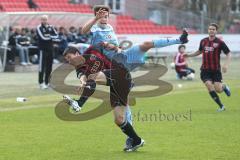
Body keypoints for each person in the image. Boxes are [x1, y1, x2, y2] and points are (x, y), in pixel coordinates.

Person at [81, 5, 188, 149]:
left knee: (145, 45)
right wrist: (95, 19)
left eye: (106, 15)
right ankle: (132, 139)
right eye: (101, 15)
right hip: (114, 70)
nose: (104, 18)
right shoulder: (95, 29)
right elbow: (83, 30)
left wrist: (117, 49)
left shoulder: (110, 28)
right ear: (96, 16)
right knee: (121, 112)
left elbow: (114, 47)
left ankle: (180, 39)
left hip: (124, 57)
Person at [62, 46, 145, 152]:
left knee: (92, 77)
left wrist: (86, 81)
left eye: (69, 57)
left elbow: (92, 77)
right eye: (67, 59)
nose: (69, 61)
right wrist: (83, 81)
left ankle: (79, 103)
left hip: (122, 77)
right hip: (116, 86)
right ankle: (137, 141)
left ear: (77, 54)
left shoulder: (90, 58)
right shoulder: (78, 67)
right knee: (119, 120)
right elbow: (82, 75)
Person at [184, 23, 231, 112]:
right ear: (208, 30)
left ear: (216, 31)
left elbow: (228, 53)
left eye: (213, 29)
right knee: (209, 85)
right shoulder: (203, 41)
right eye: (210, 29)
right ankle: (221, 106)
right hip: (205, 70)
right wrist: (189, 55)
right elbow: (199, 51)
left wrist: (226, 65)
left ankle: (224, 87)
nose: (211, 30)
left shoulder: (220, 42)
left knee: (218, 90)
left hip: (216, 70)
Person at [36, 15, 58, 89]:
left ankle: (47, 82)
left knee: (49, 67)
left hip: (50, 49)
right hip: (42, 49)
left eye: (45, 19)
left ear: (47, 20)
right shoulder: (39, 27)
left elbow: (56, 35)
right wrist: (51, 36)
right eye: (43, 19)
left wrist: (50, 36)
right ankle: (41, 83)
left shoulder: (51, 27)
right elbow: (43, 37)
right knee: (41, 67)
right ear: (41, 20)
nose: (44, 21)